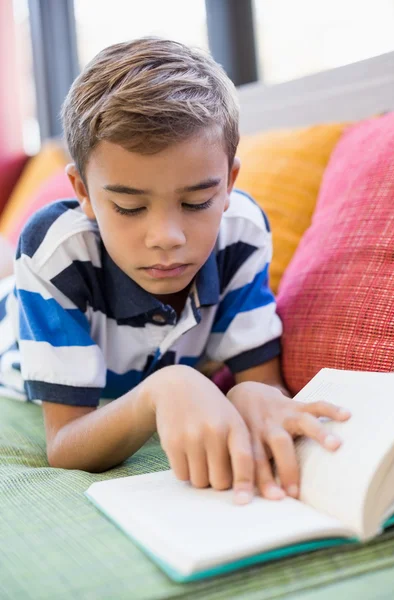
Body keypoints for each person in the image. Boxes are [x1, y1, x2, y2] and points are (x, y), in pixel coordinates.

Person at [0, 38, 350, 505]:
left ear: (229, 183)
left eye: (196, 202)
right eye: (128, 206)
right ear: (82, 192)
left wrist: (254, 396)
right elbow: (65, 444)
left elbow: (260, 379)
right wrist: (161, 389)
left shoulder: (241, 232)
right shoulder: (58, 250)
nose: (166, 236)